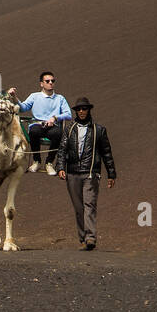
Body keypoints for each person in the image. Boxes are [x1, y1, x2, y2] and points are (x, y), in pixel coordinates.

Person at [55, 96, 116, 251]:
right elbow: (62, 150)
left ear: (89, 110)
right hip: (73, 173)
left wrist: (111, 174)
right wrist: (60, 167)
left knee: (90, 204)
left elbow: (106, 153)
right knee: (78, 207)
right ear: (76, 111)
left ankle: (90, 237)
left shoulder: (99, 130)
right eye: (79, 109)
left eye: (84, 109)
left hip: (91, 173)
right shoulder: (69, 129)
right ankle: (82, 239)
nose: (82, 111)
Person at [9, 70, 70, 174]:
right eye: (47, 81)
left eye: (52, 81)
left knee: (58, 133)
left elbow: (68, 114)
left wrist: (55, 118)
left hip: (52, 126)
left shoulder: (60, 98)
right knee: (33, 131)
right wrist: (14, 97)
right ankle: (36, 161)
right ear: (42, 83)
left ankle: (49, 163)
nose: (50, 83)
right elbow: (23, 108)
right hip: (38, 125)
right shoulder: (34, 96)